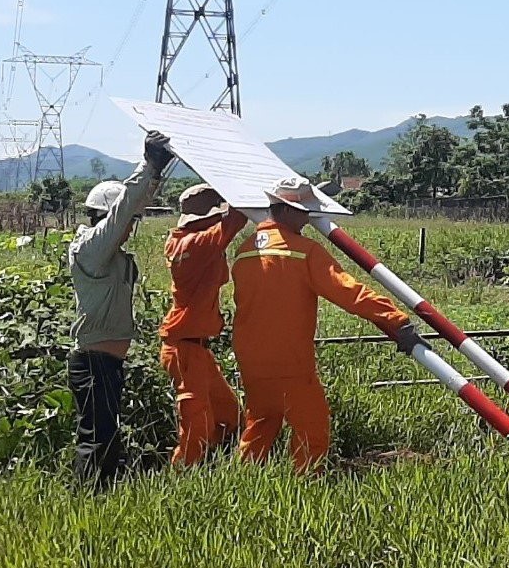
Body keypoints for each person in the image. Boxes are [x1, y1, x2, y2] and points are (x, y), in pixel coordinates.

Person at [231, 176, 426, 472]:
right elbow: (348, 291)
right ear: (284, 210)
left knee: (260, 422)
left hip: (250, 358)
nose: (308, 219)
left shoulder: (244, 250)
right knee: (312, 427)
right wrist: (395, 320)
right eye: (303, 212)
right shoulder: (303, 250)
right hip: (290, 360)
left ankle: (244, 482)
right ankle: (307, 485)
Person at [66, 130, 173, 489]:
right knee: (96, 440)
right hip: (94, 364)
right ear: (107, 218)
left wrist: (155, 178)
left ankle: (103, 497)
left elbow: (131, 206)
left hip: (107, 363)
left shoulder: (107, 254)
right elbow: (125, 207)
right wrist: (148, 165)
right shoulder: (92, 248)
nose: (130, 229)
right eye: (127, 222)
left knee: (106, 437)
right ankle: (89, 502)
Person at [159, 183, 248, 466]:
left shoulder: (180, 241)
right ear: (206, 219)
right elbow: (236, 220)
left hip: (193, 347)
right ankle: (184, 475)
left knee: (229, 416)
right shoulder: (198, 243)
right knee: (196, 426)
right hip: (186, 349)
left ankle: (217, 465)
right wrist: (241, 187)